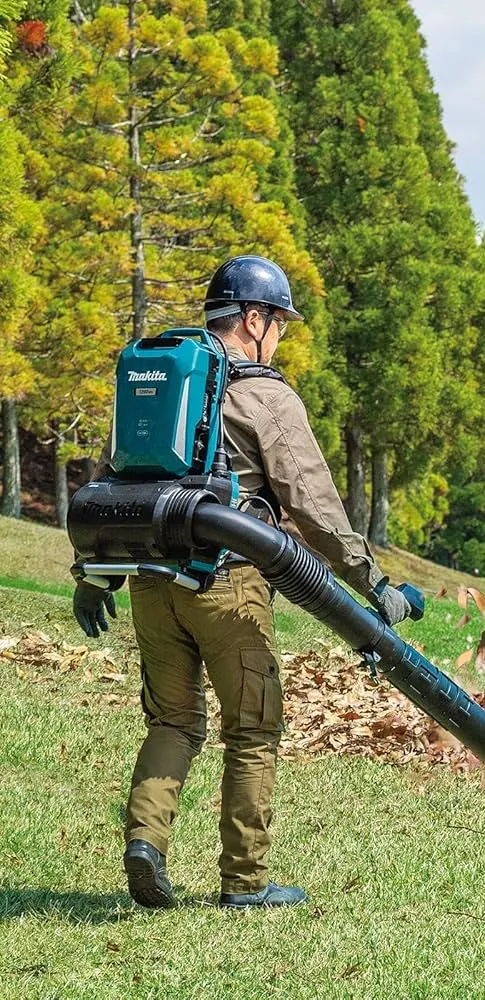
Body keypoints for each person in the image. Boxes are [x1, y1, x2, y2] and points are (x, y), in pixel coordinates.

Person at [73, 255, 411, 910]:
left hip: (152, 581)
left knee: (173, 720)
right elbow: (313, 504)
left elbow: (114, 486)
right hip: (229, 585)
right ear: (254, 319)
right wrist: (373, 581)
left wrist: (93, 576)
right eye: (280, 322)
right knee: (253, 729)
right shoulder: (265, 397)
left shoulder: (162, 386)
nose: (280, 335)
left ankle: (146, 843)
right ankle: (245, 882)